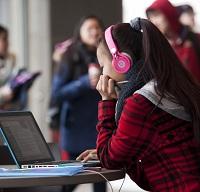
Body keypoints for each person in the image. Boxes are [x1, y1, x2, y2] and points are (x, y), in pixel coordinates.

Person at [77, 18, 200, 191]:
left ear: (122, 61)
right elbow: (147, 165)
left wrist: (107, 101)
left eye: (103, 65)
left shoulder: (141, 102)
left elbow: (109, 159)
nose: (102, 74)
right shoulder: (168, 86)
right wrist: (121, 148)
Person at [50, 15, 106, 192]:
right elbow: (58, 93)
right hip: (75, 130)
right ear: (79, 33)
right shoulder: (70, 56)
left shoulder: (107, 55)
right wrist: (83, 83)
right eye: (89, 28)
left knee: (101, 179)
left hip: (99, 128)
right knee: (68, 182)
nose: (94, 32)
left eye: (97, 28)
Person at [146, 0, 200, 83]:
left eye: (156, 15)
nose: (154, 22)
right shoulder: (157, 47)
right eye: (150, 18)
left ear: (169, 14)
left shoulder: (195, 39)